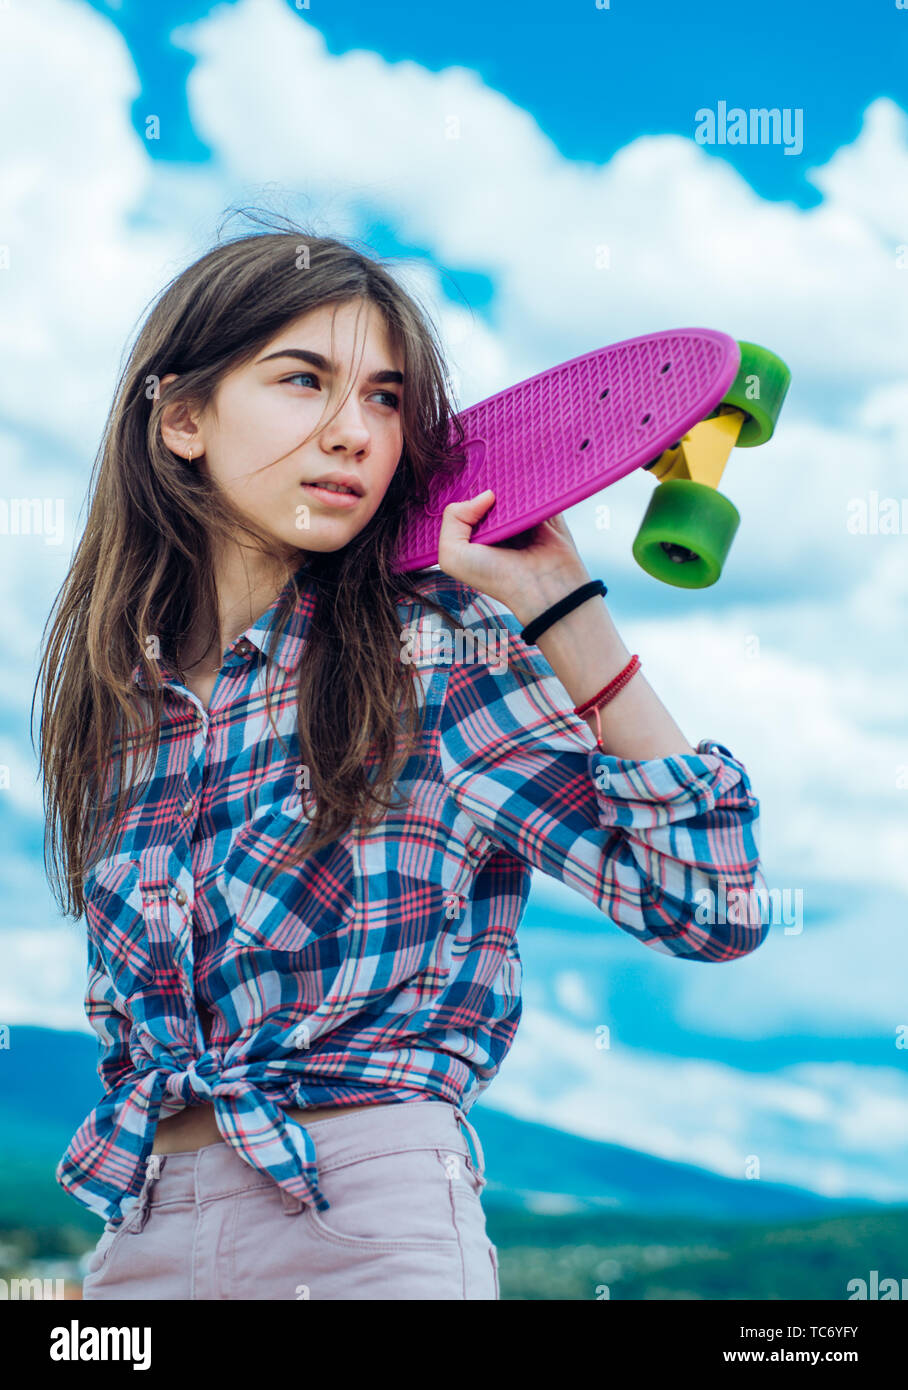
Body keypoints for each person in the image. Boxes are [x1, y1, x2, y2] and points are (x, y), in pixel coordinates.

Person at [35, 214, 770, 1301]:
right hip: (144, 1227)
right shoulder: (120, 702)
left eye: (384, 398)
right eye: (302, 381)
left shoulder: (429, 652)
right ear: (181, 416)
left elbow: (712, 904)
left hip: (365, 1223)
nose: (353, 432)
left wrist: (559, 609)